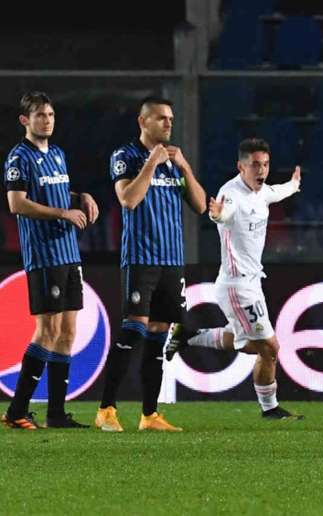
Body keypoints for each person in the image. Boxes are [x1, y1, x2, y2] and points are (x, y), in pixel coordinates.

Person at [165, 138, 303, 420]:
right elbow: (223, 212)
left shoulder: (261, 191)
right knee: (270, 348)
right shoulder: (231, 193)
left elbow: (275, 192)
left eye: (265, 164)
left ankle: (189, 336)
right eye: (255, 165)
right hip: (237, 286)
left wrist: (293, 185)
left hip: (252, 283)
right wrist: (217, 215)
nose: (261, 170)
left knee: (251, 344)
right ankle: (270, 408)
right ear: (241, 167)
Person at [95, 96, 206, 432]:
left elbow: (201, 206)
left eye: (171, 118)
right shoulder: (125, 156)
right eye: (161, 118)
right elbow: (128, 199)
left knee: (159, 332)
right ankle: (106, 409)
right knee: (135, 328)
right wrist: (151, 164)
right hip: (142, 258)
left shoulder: (174, 162)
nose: (169, 124)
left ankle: (149, 415)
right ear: (143, 122)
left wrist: (185, 167)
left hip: (172, 260)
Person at [2, 91, 99, 429]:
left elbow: (57, 193)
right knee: (48, 330)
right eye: (40, 115)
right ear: (24, 120)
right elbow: (17, 203)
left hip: (69, 254)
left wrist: (81, 197)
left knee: (68, 332)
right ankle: (16, 411)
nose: (47, 120)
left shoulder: (57, 154)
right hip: (44, 255)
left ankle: (56, 414)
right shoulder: (19, 157)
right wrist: (62, 212)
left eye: (51, 115)